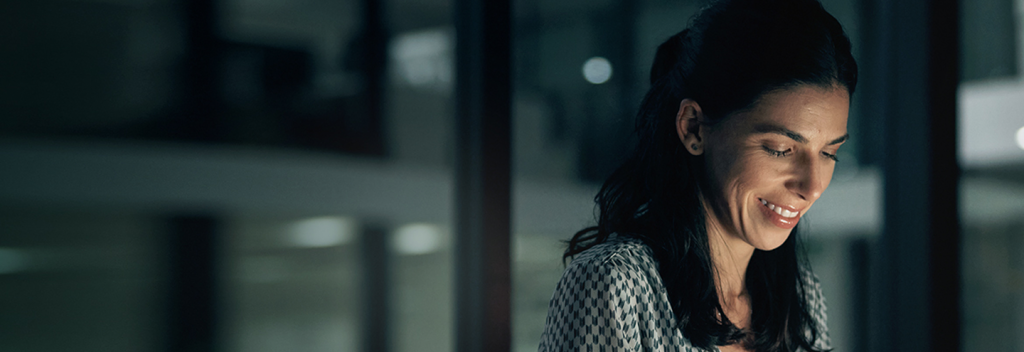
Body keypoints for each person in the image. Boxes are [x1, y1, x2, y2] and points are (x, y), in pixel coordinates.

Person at [537, 0, 857, 351]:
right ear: (694, 128)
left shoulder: (799, 297)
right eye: (780, 149)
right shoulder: (613, 284)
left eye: (829, 153)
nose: (812, 186)